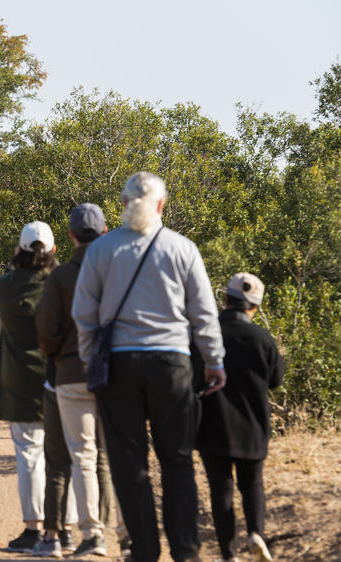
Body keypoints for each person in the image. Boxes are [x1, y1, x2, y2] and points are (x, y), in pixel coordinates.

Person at [72, 172, 226, 562]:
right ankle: (186, 550)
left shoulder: (101, 251)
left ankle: (144, 550)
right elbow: (204, 313)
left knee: (128, 461)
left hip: (120, 368)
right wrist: (214, 361)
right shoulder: (183, 248)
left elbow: (84, 315)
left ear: (124, 205)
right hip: (172, 365)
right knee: (176, 459)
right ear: (161, 205)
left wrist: (93, 362)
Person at [35, 203, 117, 558]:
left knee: (82, 455)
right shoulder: (117, 272)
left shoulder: (61, 277)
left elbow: (47, 334)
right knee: (110, 456)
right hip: (115, 376)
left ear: (69, 235)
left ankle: (93, 534)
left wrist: (58, 354)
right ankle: (120, 534)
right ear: (103, 233)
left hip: (70, 375)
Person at [192, 273, 284, 562]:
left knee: (221, 490)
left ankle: (228, 554)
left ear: (225, 300)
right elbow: (276, 380)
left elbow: (193, 378)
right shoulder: (263, 338)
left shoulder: (206, 334)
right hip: (253, 426)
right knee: (252, 483)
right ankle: (256, 532)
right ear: (254, 307)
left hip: (212, 425)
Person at [0, 221, 59, 553]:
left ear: (19, 250)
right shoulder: (60, 285)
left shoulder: (4, 288)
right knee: (65, 457)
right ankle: (64, 531)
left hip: (19, 382)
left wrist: (16, 265)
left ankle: (32, 529)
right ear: (53, 251)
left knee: (29, 454)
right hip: (60, 378)